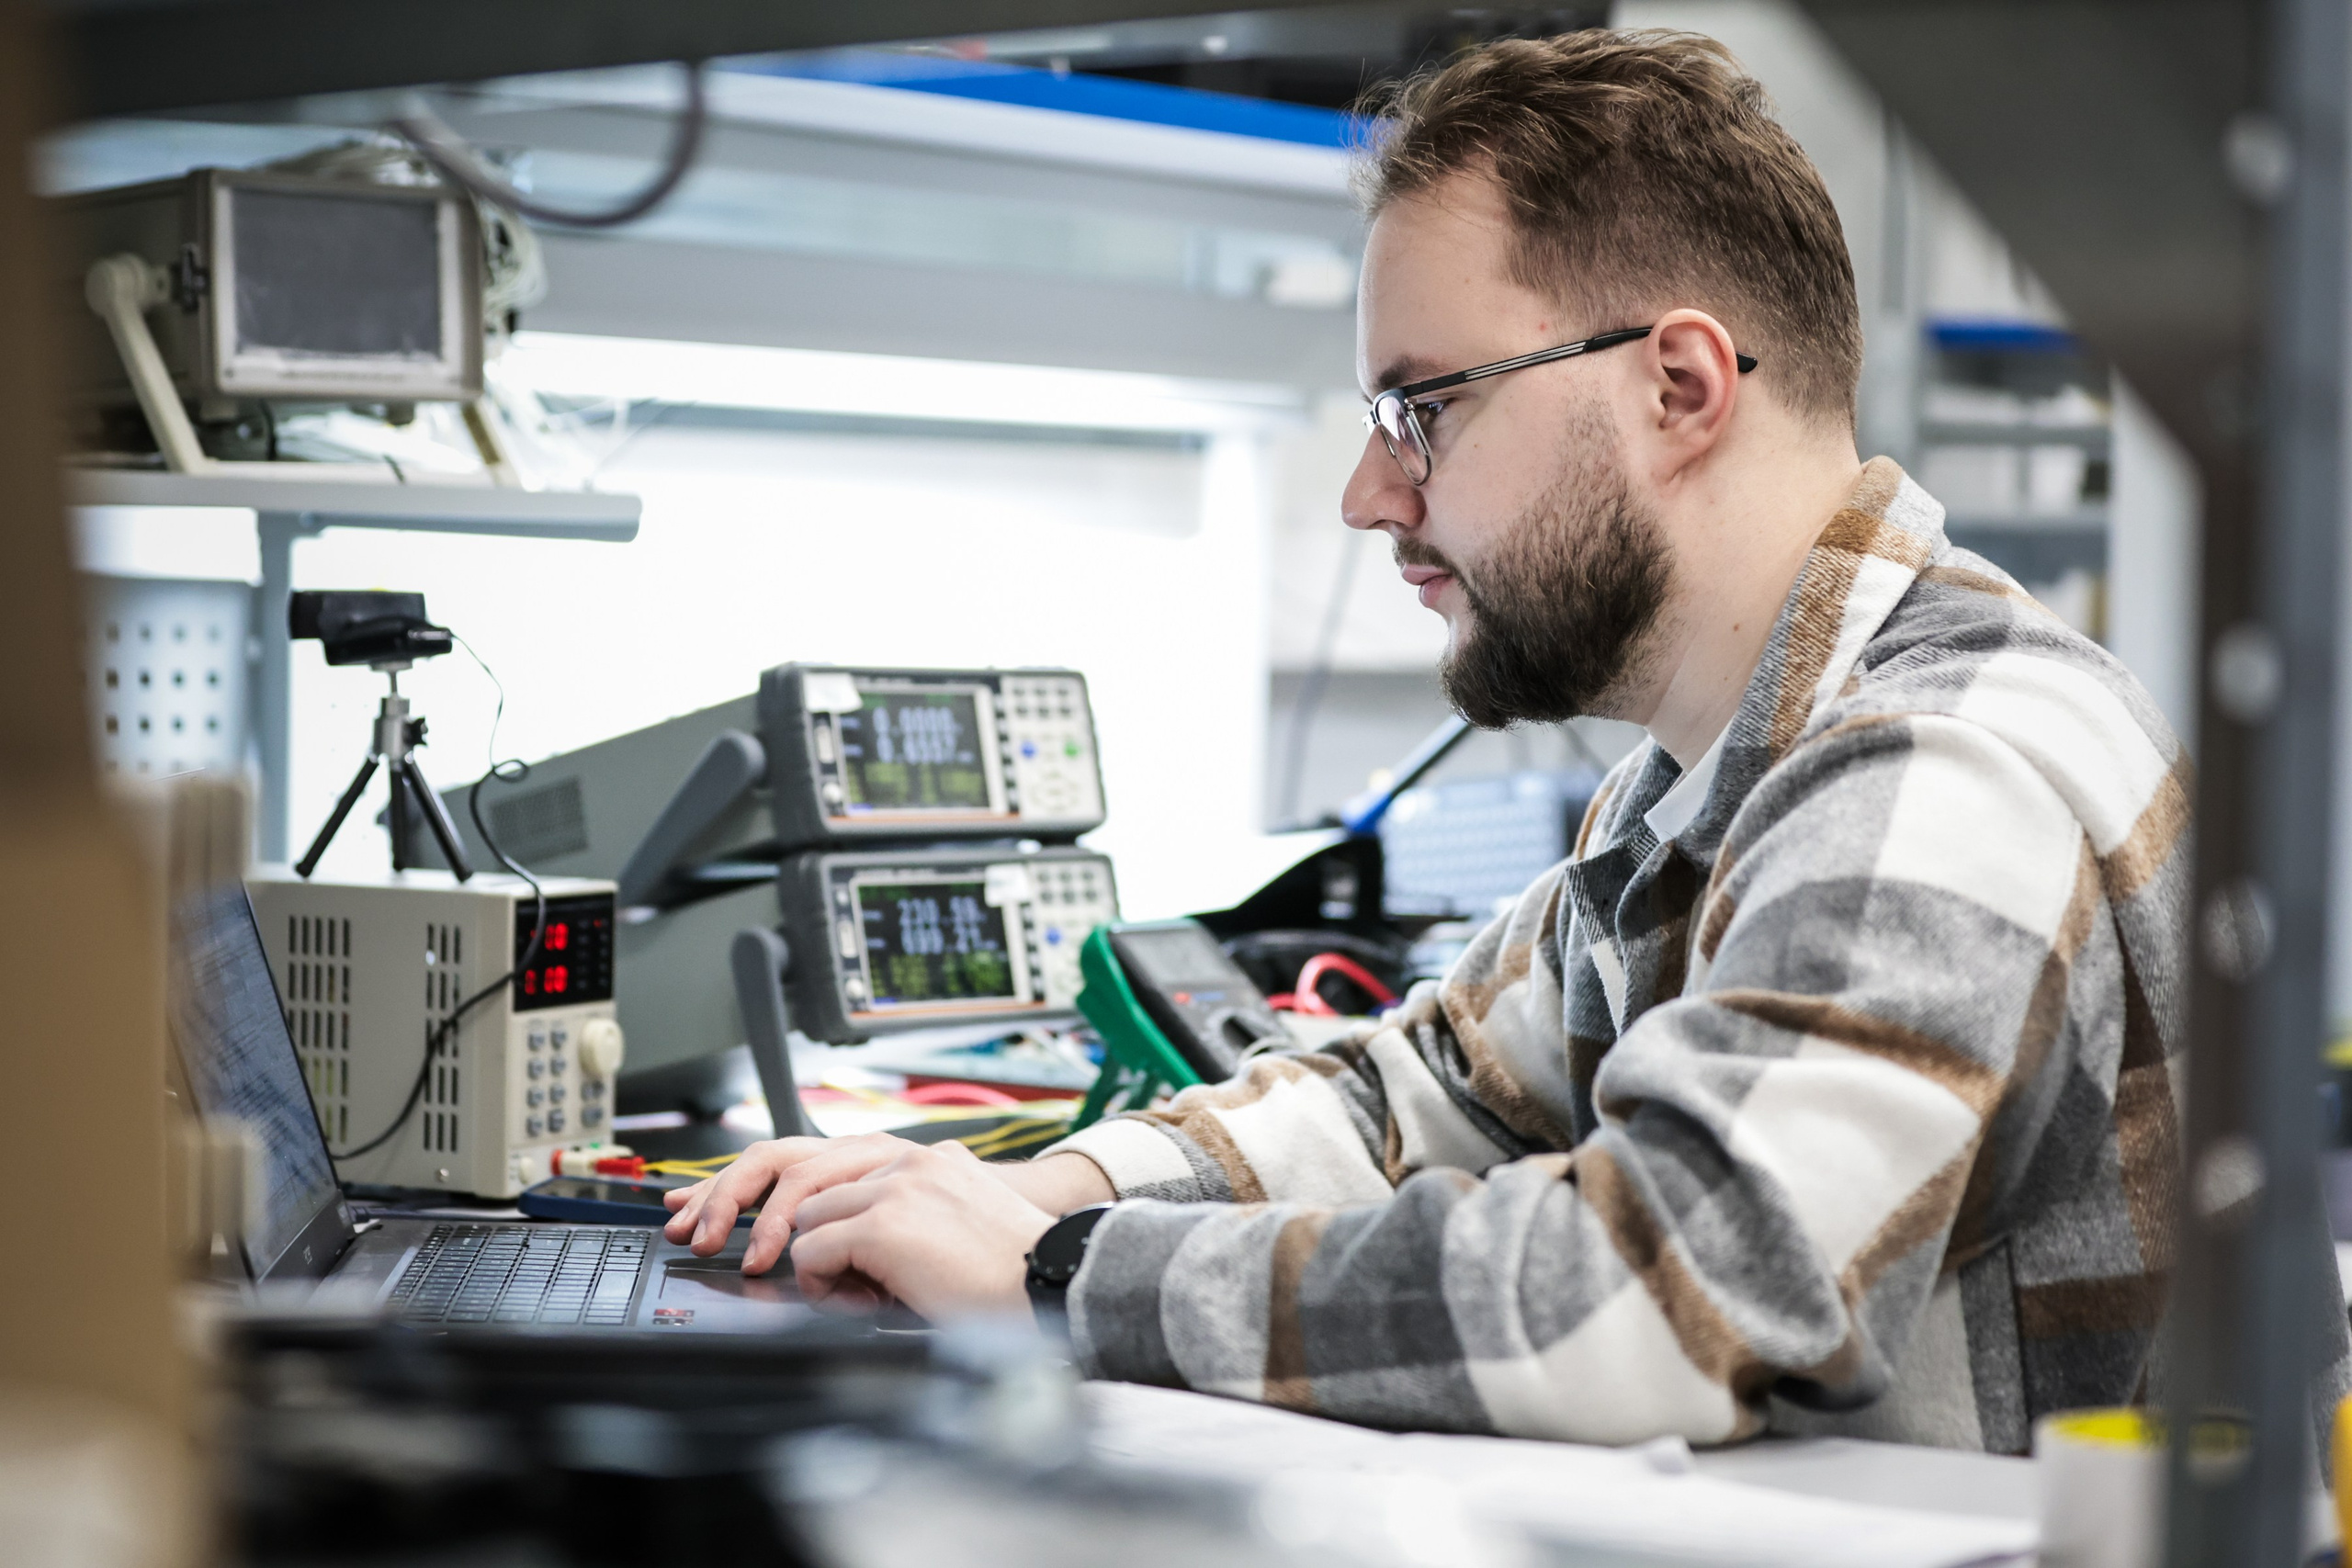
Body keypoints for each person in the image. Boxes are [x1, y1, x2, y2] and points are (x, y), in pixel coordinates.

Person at [664, 29, 2348, 1452]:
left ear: (1681, 388)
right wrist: (1011, 1190)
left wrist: (1057, 1274)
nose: (1367, 493)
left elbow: (1663, 1298)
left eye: (1426, 406)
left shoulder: (1944, 759)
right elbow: (1425, 1094)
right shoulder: (1711, 771)